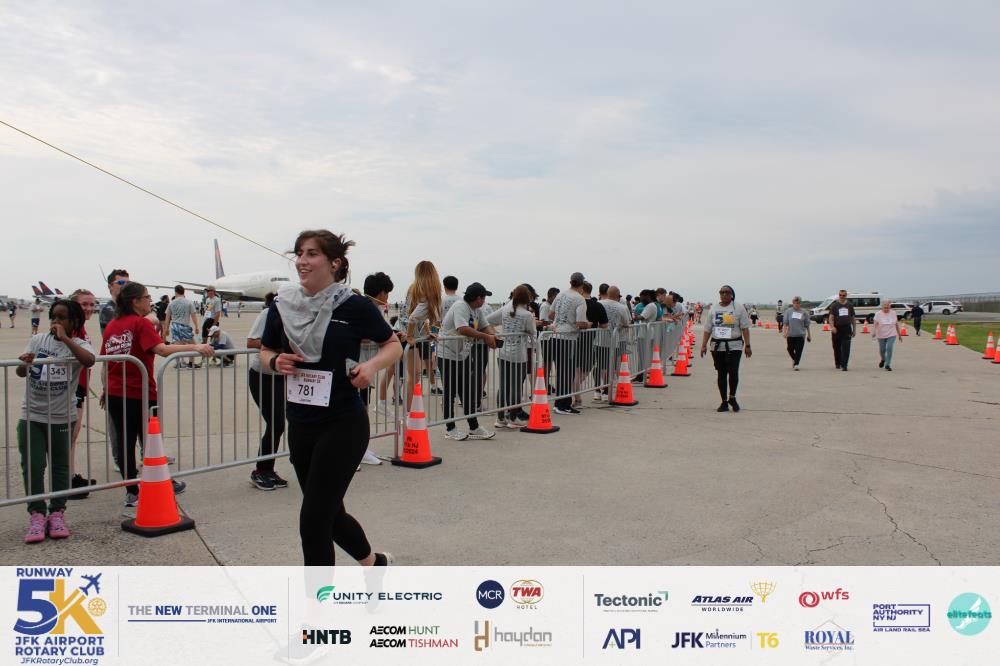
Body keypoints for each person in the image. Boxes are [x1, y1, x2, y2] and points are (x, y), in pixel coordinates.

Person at [259, 229, 402, 566]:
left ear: (334, 263)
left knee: (313, 521)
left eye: (311, 254)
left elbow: (393, 344)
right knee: (329, 513)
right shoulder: (283, 305)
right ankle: (374, 564)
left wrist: (371, 367)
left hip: (343, 422)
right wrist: (275, 362)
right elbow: (265, 351)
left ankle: (317, 599)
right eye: (299, 253)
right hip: (300, 422)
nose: (302, 261)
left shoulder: (354, 305)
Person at [101, 282, 214, 507]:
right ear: (135, 301)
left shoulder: (113, 325)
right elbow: (161, 349)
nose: (149, 301)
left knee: (125, 442)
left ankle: (132, 491)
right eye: (146, 297)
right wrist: (195, 347)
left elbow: (105, 362)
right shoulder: (139, 323)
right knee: (150, 441)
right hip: (139, 393)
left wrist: (105, 389)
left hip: (115, 393)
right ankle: (158, 483)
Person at [16, 299, 95, 542]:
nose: (56, 322)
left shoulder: (79, 345)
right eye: (53, 317)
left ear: (74, 321)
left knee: (60, 467)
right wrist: (25, 363)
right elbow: (20, 371)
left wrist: (66, 339)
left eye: (62, 318)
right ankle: (37, 514)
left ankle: (57, 512)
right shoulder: (39, 340)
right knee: (33, 465)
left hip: (62, 416)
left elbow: (89, 360)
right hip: (32, 414)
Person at [437, 282, 497, 440]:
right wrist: (486, 337)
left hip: (462, 354)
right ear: (478, 298)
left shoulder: (477, 310)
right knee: (450, 392)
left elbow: (485, 326)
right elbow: (462, 328)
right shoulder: (460, 306)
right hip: (447, 354)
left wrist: (493, 336)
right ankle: (450, 429)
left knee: (467, 391)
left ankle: (474, 427)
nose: (484, 301)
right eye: (483, 298)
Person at [246, 292, 288, 490]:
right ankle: (260, 470)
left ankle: (267, 469)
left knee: (278, 424)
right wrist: (279, 346)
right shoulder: (267, 314)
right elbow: (251, 341)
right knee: (276, 423)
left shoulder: (296, 315)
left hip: (281, 376)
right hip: (262, 376)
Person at [488, 285, 537, 428]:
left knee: (503, 386)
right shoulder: (526, 315)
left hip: (504, 353)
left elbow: (488, 320)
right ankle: (513, 418)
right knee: (516, 387)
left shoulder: (506, 309)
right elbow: (532, 333)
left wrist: (495, 334)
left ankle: (500, 418)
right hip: (519, 355)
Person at [68, 289, 99, 497]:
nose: (89, 308)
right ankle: (67, 480)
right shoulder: (73, 328)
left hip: (79, 385)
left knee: (73, 433)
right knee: (70, 433)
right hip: (72, 387)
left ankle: (70, 476)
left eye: (91, 304)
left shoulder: (81, 327)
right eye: (84, 304)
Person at [700, 285, 752, 412]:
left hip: (734, 345)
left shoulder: (738, 308)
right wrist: (703, 345)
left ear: (732, 294)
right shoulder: (713, 308)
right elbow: (708, 328)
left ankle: (732, 397)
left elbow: (745, 328)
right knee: (721, 373)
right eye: (721, 292)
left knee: (733, 372)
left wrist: (748, 345)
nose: (724, 294)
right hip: (718, 346)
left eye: (727, 292)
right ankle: (724, 401)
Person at [398, 262, 442, 407]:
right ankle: (409, 412)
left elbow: (435, 317)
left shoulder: (429, 291)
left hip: (415, 332)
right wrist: (410, 336)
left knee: (415, 376)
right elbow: (412, 317)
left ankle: (410, 411)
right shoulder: (418, 289)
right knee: (414, 375)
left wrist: (432, 333)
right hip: (406, 332)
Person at [549, 273, 591, 415]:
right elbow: (580, 322)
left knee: (561, 372)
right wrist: (588, 324)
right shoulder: (579, 299)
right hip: (568, 338)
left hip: (555, 336)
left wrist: (560, 320)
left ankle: (559, 403)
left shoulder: (560, 295)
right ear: (582, 284)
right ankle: (563, 405)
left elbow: (550, 315)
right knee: (567, 373)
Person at [577, 281, 608, 408]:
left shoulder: (576, 304)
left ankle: (574, 394)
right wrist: (595, 325)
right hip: (589, 342)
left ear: (581, 290)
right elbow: (605, 325)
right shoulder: (598, 305)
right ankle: (574, 392)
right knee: (586, 368)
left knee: (575, 370)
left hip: (572, 340)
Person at [597, 285, 631, 400]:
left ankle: (598, 390)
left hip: (598, 339)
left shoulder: (599, 303)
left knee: (600, 365)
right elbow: (627, 323)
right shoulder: (621, 307)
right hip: (613, 340)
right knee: (610, 366)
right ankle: (606, 391)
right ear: (617, 295)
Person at [164, 285, 200, 368]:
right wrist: (196, 326)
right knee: (193, 345)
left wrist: (166, 329)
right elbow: (193, 315)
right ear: (184, 292)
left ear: (175, 292)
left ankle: (178, 363)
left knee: (177, 346)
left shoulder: (171, 303)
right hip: (184, 326)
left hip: (175, 326)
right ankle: (191, 363)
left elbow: (167, 317)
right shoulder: (188, 302)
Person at [827, 289, 856, 371]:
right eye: (840, 295)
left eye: (844, 295)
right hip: (837, 329)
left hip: (847, 328)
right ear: (838, 295)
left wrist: (854, 330)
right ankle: (838, 362)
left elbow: (853, 318)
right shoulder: (834, 305)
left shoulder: (849, 305)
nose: (842, 296)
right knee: (836, 347)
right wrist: (832, 327)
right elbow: (831, 318)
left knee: (846, 348)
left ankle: (844, 365)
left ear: (846, 296)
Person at [872, 300, 902, 371]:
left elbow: (896, 324)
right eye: (885, 308)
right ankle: (883, 359)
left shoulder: (893, 313)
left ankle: (887, 364)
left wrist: (899, 334)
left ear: (890, 307)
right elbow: (875, 324)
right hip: (881, 334)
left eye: (888, 308)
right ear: (882, 307)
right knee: (882, 350)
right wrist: (874, 331)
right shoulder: (878, 314)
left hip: (891, 333)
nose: (886, 309)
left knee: (889, 348)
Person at [783, 296, 811, 370]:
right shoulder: (789, 311)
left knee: (798, 350)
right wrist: (784, 332)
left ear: (800, 303)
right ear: (793, 303)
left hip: (800, 335)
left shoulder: (804, 312)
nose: (797, 304)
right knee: (789, 349)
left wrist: (809, 335)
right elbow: (785, 323)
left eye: (798, 303)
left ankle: (796, 364)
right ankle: (794, 359)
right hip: (791, 334)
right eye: (795, 303)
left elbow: (807, 324)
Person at [99, 269, 129, 336]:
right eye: (121, 282)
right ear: (110, 286)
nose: (126, 286)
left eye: (128, 283)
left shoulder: (129, 307)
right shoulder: (108, 310)